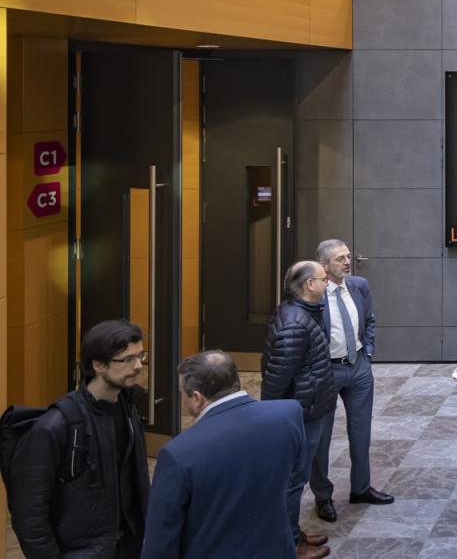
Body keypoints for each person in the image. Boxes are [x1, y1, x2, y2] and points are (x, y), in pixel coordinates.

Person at [142, 351, 307, 559]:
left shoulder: (177, 454)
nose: (182, 400)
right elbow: (298, 474)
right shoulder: (288, 414)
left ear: (196, 398)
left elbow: (161, 541)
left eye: (181, 393)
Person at [11, 320, 150, 559]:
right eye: (127, 359)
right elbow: (29, 515)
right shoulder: (56, 426)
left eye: (140, 356)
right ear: (98, 365)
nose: (138, 366)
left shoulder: (128, 407)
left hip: (129, 547)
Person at [308, 239, 392, 525]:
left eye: (348, 257)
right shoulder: (314, 293)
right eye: (340, 259)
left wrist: (367, 352)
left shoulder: (359, 285)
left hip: (358, 368)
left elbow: (369, 320)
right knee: (321, 437)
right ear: (324, 266)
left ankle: (361, 488)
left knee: (361, 431)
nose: (347, 262)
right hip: (327, 372)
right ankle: (322, 495)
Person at [260, 259, 338, 557]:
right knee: (294, 480)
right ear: (309, 284)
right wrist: (271, 417)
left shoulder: (302, 313)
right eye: (322, 278)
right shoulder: (295, 322)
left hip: (307, 407)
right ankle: (290, 543)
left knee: (296, 478)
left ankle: (292, 531)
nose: (326, 283)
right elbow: (278, 376)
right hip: (301, 413)